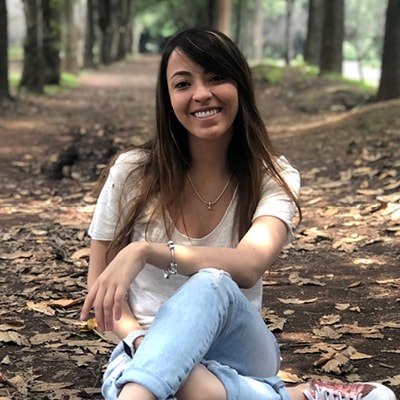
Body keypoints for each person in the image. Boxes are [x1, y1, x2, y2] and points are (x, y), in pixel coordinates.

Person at [80, 28, 396, 400]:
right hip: (144, 348)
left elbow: (248, 264)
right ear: (168, 98)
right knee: (178, 380)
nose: (201, 94)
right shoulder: (132, 172)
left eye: (216, 77)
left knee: (212, 282)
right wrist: (142, 342)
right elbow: (101, 294)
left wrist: (145, 251)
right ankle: (295, 395)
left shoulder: (273, 176)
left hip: (242, 351)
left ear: (240, 86)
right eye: (183, 84)